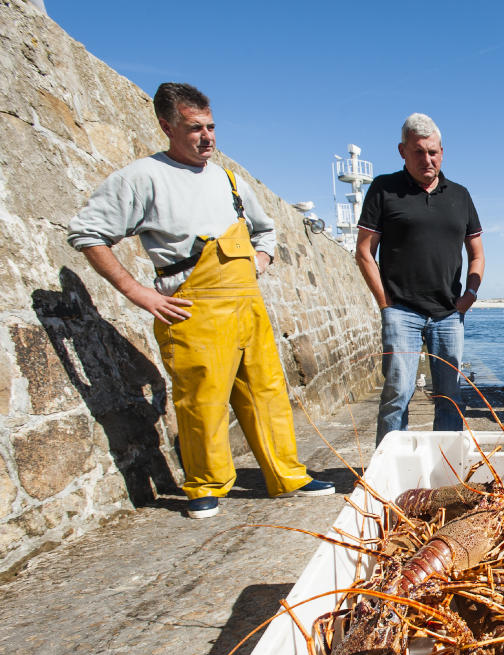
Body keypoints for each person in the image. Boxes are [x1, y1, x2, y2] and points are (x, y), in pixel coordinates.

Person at [67, 82, 335, 520]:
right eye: (195, 128)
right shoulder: (143, 178)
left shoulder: (230, 180)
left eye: (211, 126)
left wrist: (259, 262)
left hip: (247, 304)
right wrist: (137, 292)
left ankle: (288, 476)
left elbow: (265, 231)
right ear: (166, 126)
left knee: (266, 392)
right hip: (194, 306)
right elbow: (87, 234)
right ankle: (205, 485)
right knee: (202, 399)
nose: (207, 136)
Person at [355, 113, 485, 443]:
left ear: (442, 151)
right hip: (402, 313)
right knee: (397, 395)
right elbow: (364, 252)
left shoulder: (461, 195)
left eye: (433, 152)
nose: (427, 159)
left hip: (448, 315)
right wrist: (387, 305)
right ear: (402, 151)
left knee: (450, 398)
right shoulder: (384, 189)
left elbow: (477, 254)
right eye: (418, 152)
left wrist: (470, 293)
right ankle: (390, 472)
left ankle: (448, 472)